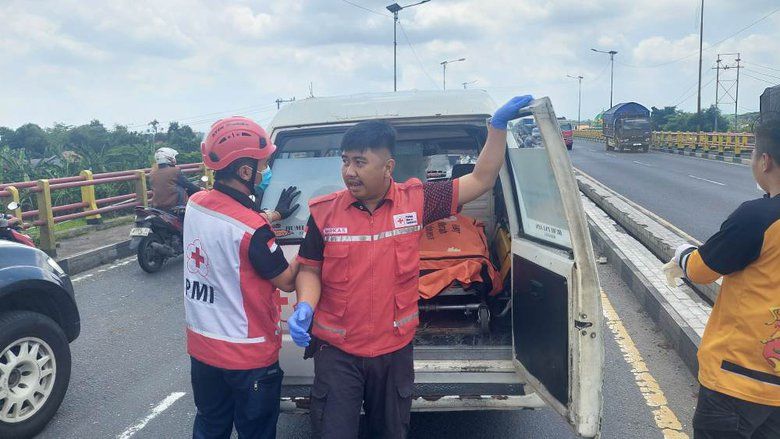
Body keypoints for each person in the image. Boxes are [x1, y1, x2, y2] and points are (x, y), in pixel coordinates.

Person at [288, 95, 533, 439]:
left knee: (390, 432)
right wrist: (304, 305)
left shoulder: (416, 201)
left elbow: (481, 180)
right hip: (338, 353)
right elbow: (310, 269)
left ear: (388, 167)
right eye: (345, 161)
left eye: (360, 162)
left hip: (393, 351)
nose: (349, 172)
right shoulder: (324, 213)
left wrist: (496, 130)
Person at [183, 116, 300, 439]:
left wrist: (273, 215)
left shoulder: (196, 205)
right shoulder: (254, 231)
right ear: (245, 172)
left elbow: (229, 221)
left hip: (204, 350)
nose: (266, 173)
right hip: (248, 356)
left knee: (210, 424)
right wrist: (313, 246)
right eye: (264, 165)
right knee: (256, 433)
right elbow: (287, 280)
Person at [672, 120, 780, 438]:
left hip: (737, 381)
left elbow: (701, 270)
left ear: (765, 161)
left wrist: (682, 254)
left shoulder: (758, 217)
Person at [150, 147, 202, 211]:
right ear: (169, 158)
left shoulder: (153, 172)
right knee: (180, 189)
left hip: (157, 206)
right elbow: (187, 184)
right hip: (174, 205)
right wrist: (200, 189)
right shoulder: (175, 170)